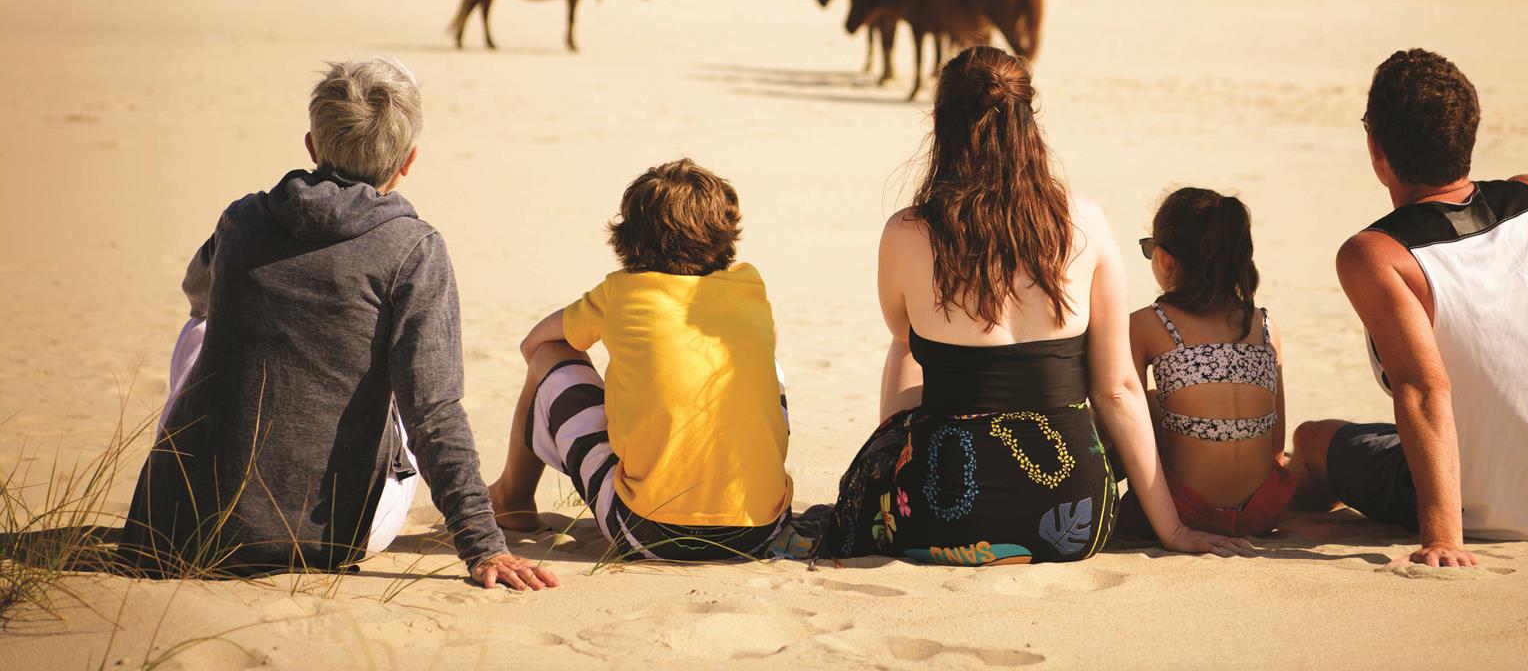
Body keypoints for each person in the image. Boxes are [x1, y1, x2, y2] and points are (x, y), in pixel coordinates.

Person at [119, 58, 554, 590]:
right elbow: (434, 411)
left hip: (175, 526)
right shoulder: (413, 247)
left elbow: (196, 292)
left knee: (203, 327)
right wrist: (483, 546)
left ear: (310, 146)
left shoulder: (242, 218)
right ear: (409, 160)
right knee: (407, 380)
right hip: (319, 538)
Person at [825, 46, 1253, 565]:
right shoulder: (1086, 221)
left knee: (908, 344)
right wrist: (1173, 528)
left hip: (937, 516)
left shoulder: (907, 231)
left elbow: (903, 330)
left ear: (939, 122)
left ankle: (899, 465)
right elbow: (1117, 389)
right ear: (1029, 121)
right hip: (1070, 517)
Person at [1291, 49, 1528, 566]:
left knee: (1311, 443)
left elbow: (1423, 390)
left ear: (1376, 150)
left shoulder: (1376, 255)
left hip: (1491, 506)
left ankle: (1299, 504)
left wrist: (1443, 538)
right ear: (1470, 132)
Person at [486, 159, 792, 561]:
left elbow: (534, 344)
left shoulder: (623, 292)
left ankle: (513, 498)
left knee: (549, 358)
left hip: (648, 532)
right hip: (760, 530)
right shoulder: (749, 285)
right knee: (764, 366)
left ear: (627, 237)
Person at [1117, 188, 1293, 539]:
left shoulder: (1147, 324)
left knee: (1140, 403)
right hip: (1261, 512)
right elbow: (1275, 445)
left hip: (1186, 511)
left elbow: (1122, 423)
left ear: (1166, 260)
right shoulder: (1265, 326)